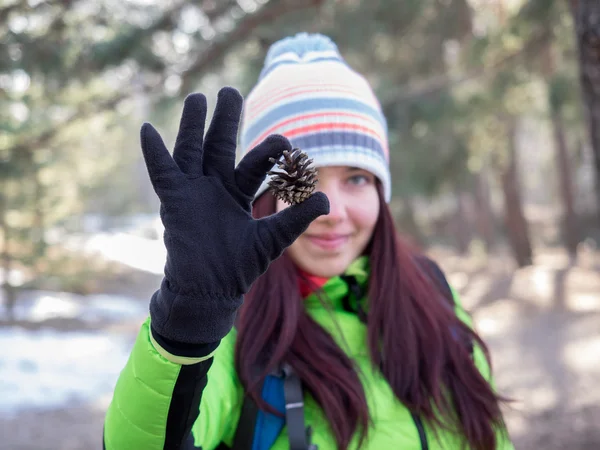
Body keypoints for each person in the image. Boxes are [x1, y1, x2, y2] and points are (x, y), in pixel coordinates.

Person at [103, 33, 514, 450]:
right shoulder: (228, 323)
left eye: (357, 177)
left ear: (381, 191)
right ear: (261, 198)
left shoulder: (432, 290)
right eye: (304, 182)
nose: (331, 210)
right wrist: (186, 326)